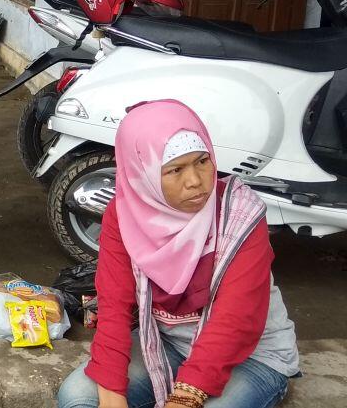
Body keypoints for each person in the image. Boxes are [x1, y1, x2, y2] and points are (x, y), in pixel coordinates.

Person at [56, 100, 299, 408]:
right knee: (77, 397)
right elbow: (115, 306)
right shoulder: (126, 214)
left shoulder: (241, 214)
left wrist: (184, 398)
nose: (195, 181)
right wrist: (111, 394)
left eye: (202, 161)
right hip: (165, 345)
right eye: (175, 169)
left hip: (252, 356)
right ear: (143, 174)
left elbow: (234, 320)